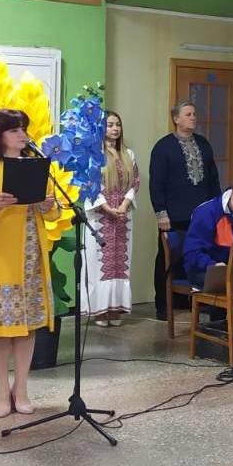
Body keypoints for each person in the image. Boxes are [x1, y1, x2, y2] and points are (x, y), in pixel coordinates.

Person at [0, 109, 62, 418]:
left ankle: (22, 389)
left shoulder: (37, 167)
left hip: (32, 256)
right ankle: (1, 390)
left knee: (27, 326)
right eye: (14, 130)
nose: (22, 135)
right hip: (0, 258)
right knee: (1, 329)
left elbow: (55, 212)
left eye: (23, 129)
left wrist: (48, 205)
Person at [149, 101, 221, 320]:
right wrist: (161, 213)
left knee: (201, 257)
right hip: (174, 217)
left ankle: (200, 301)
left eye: (194, 113)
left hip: (201, 216)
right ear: (176, 119)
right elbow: (156, 183)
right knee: (167, 260)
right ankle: (163, 306)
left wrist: (217, 210)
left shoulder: (204, 144)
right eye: (188, 114)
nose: (193, 117)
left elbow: (213, 180)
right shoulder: (163, 147)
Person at [86, 110, 137, 326]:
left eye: (118, 124)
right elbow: (89, 184)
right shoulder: (93, 155)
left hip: (123, 216)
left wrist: (124, 205)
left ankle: (116, 309)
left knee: (121, 264)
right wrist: (106, 207)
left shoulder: (129, 154)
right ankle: (100, 310)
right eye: (110, 125)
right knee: (99, 264)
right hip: (100, 216)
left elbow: (135, 182)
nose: (115, 129)